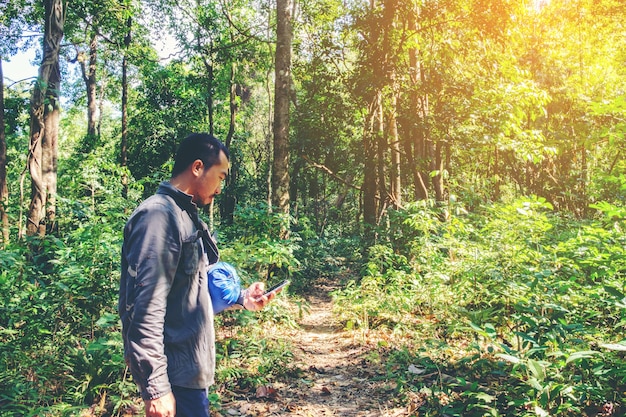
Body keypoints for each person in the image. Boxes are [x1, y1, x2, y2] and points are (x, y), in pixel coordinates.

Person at [119, 133, 275, 417]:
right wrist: (156, 389)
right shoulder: (158, 217)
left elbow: (189, 292)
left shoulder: (186, 216)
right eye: (221, 177)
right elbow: (145, 308)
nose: (220, 187)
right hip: (174, 380)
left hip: (191, 374)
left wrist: (241, 298)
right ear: (198, 167)